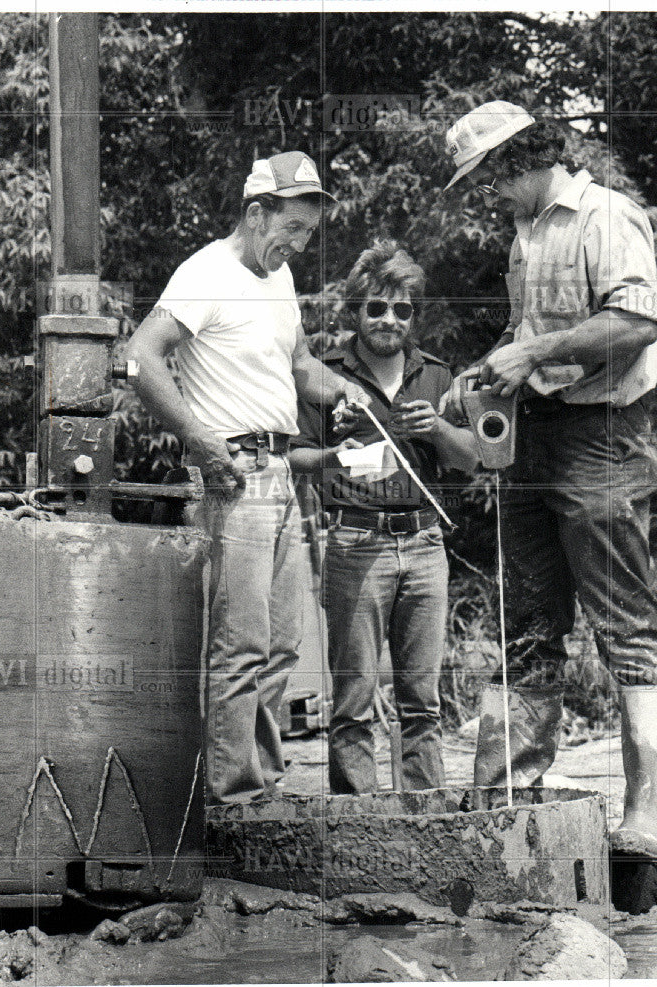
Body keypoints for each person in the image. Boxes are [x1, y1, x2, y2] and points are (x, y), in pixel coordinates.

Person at [443, 101, 657, 856]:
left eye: (489, 180)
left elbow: (638, 322)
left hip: (604, 437)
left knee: (625, 624)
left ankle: (653, 809)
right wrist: (488, 370)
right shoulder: (525, 238)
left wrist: (534, 355)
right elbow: (528, 334)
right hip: (535, 442)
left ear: (520, 160)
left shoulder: (604, 216)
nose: (488, 195)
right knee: (529, 622)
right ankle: (503, 792)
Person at [126, 151, 368, 805]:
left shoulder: (278, 280)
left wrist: (339, 390)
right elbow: (141, 357)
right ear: (257, 213)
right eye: (292, 227)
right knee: (242, 642)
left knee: (284, 641)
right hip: (235, 471)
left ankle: (262, 778)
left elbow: (300, 365)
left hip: (282, 471)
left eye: (309, 232)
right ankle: (232, 798)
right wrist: (198, 439)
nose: (299, 244)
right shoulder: (204, 274)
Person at [290, 240, 479, 794]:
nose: (389, 319)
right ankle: (357, 826)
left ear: (414, 314)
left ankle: (426, 820)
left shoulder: (438, 377)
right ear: (356, 311)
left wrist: (439, 430)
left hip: (425, 546)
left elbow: (472, 458)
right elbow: (295, 455)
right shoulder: (325, 377)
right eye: (376, 307)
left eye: (402, 309)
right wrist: (335, 457)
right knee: (352, 701)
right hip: (355, 543)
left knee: (422, 700)